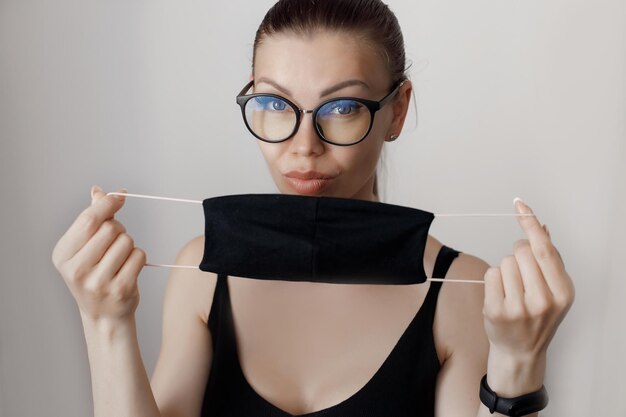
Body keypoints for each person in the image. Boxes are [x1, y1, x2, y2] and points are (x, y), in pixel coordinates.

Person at [51, 0, 575, 416]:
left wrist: (518, 363)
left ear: (397, 110)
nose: (303, 146)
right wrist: (105, 322)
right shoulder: (203, 271)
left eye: (342, 108)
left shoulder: (460, 290)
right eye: (275, 104)